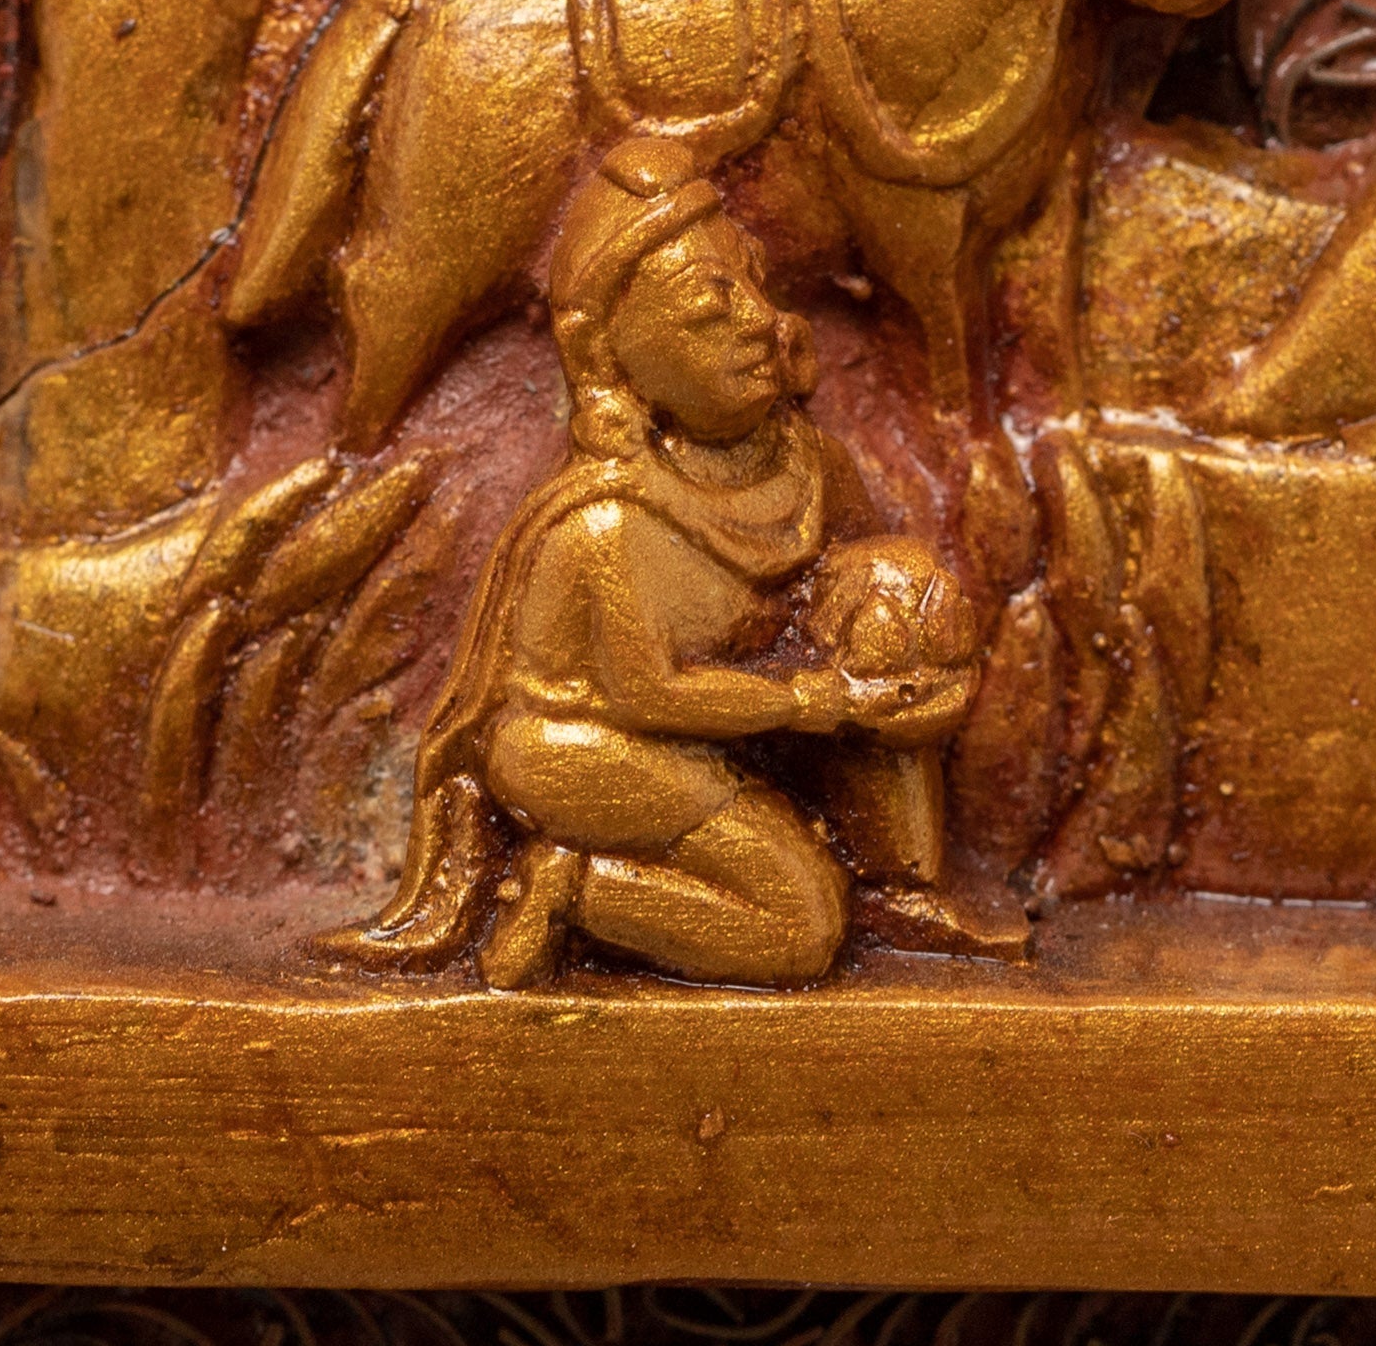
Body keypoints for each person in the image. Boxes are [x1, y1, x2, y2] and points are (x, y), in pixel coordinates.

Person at [327, 135, 1025, 986]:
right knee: (803, 924)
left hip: (722, 735)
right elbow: (650, 694)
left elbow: (846, 605)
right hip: (582, 746)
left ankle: (905, 890)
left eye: (755, 286)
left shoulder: (811, 467)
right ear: (614, 359)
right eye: (707, 310)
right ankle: (568, 887)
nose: (758, 321)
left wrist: (911, 660)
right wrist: (816, 700)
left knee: (891, 600)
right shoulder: (611, 518)